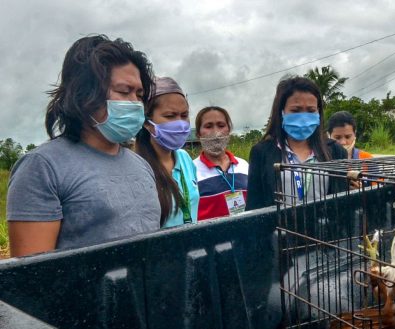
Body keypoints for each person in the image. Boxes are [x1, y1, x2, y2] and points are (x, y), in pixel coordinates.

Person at [6, 35, 160, 257]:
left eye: (140, 94)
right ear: (85, 94)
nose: (136, 103)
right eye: (124, 91)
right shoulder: (42, 167)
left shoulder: (140, 164)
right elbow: (33, 280)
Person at [245, 76, 347, 211]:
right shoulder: (261, 152)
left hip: (324, 229)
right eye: (295, 110)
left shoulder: (336, 151)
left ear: (319, 113)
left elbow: (344, 205)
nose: (304, 117)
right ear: (281, 112)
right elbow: (254, 206)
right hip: (279, 230)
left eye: (311, 111)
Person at [135, 77, 199, 228]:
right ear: (147, 122)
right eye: (170, 116)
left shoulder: (185, 159)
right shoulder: (137, 166)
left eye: (184, 115)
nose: (180, 123)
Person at [193, 106, 249, 220]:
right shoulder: (191, 170)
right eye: (208, 126)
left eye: (221, 125)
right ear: (198, 134)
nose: (216, 132)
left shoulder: (244, 165)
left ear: (229, 130)